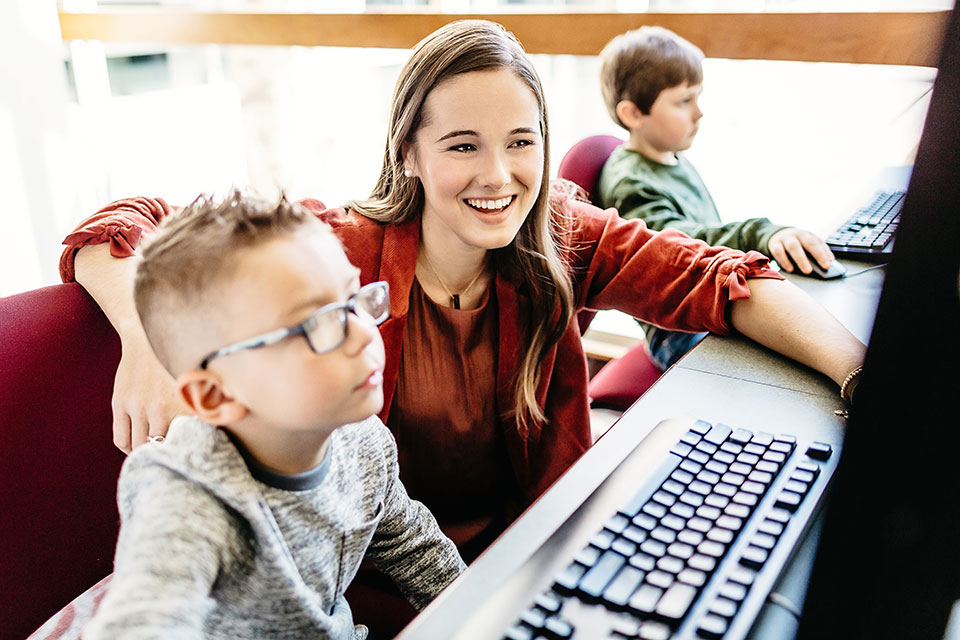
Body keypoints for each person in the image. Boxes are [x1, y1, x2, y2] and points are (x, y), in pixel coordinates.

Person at [60, 18, 865, 634]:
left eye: (521, 142)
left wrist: (866, 377)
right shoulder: (338, 259)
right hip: (376, 587)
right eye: (462, 145)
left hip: (518, 554)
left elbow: (718, 281)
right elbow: (132, 219)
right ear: (408, 152)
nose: (497, 175)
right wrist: (143, 339)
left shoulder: (556, 233)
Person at [82, 192, 464, 639]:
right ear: (213, 394)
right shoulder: (188, 494)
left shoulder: (363, 441)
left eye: (353, 301)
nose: (363, 335)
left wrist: (488, 611)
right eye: (317, 324)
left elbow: (414, 549)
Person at [598, 25, 839, 369]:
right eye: (683, 101)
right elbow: (679, 250)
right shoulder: (632, 183)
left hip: (705, 300)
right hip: (678, 328)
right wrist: (758, 233)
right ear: (633, 114)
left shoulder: (669, 158)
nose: (699, 112)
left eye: (697, 97)